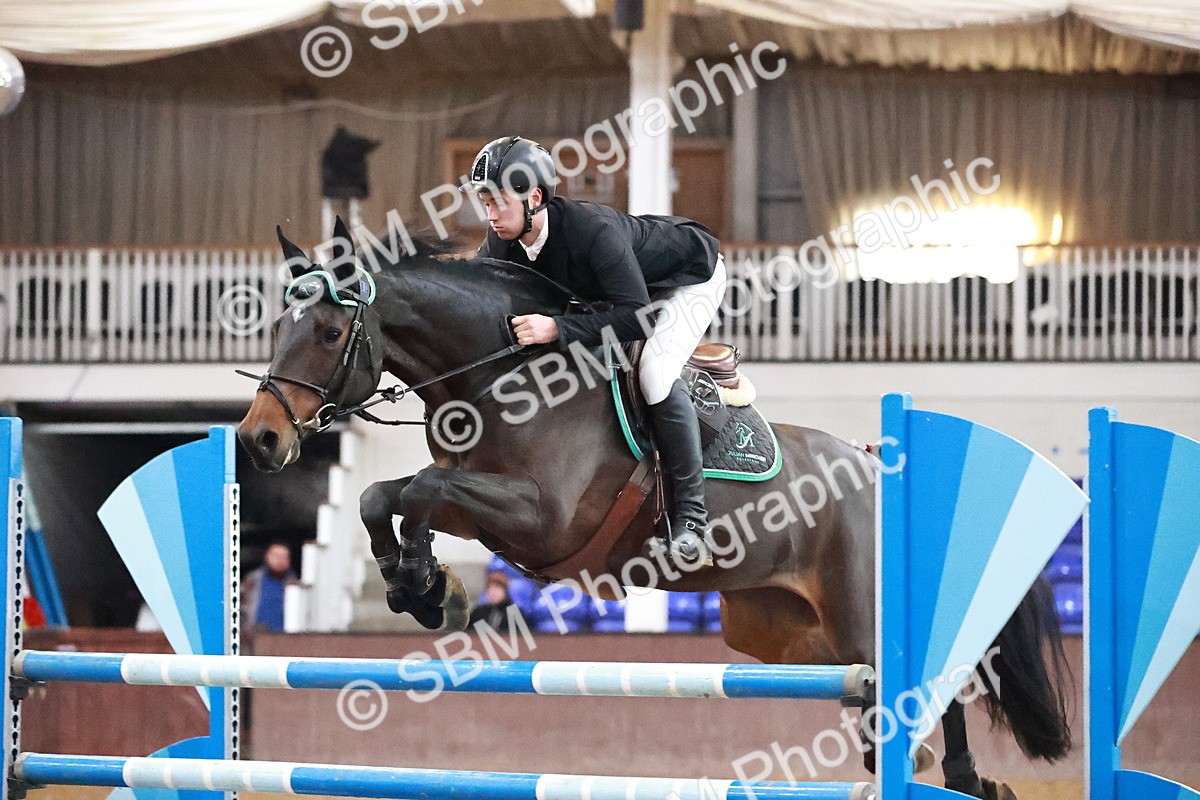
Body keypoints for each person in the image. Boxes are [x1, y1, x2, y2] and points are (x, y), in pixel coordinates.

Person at [464, 135, 727, 564]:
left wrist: (556, 329)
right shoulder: (502, 243)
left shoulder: (591, 231)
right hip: (627, 291)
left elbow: (637, 318)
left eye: (498, 202)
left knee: (655, 372)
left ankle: (692, 519)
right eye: (484, 203)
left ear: (533, 197)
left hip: (690, 277)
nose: (490, 216)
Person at [242, 541, 298, 634]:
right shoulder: (253, 580)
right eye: (276, 556)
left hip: (284, 637)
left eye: (284, 557)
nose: (280, 561)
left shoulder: (295, 585)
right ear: (267, 557)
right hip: (254, 636)